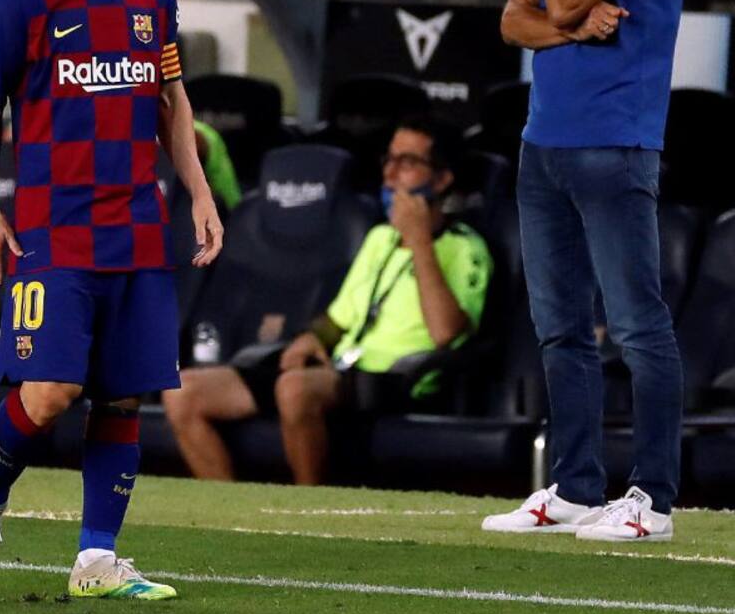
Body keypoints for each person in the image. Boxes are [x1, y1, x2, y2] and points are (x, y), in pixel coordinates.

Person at [0, 0, 223, 601]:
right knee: (49, 391)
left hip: (137, 226)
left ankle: (97, 559)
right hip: (53, 230)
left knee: (122, 394)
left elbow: (171, 100)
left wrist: (199, 192)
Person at [481, 0, 688, 543]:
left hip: (614, 142)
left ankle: (652, 501)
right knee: (560, 326)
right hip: (544, 142)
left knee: (636, 327)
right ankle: (573, 488)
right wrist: (571, 24)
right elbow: (515, 21)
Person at [163, 115, 491, 485]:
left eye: (408, 162)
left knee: (294, 388)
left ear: (442, 179)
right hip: (344, 371)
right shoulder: (380, 238)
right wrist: (311, 338)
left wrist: (420, 243)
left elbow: (447, 332)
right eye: (389, 159)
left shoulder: (466, 248)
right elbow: (339, 319)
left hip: (398, 379)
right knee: (183, 391)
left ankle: (310, 506)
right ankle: (232, 507)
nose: (390, 173)